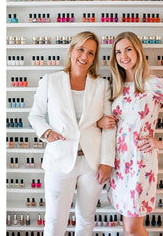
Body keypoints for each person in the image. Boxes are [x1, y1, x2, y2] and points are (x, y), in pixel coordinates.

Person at [97, 31, 163, 236]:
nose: (123, 56)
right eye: (118, 52)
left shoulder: (154, 83)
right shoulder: (115, 87)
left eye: (128, 50)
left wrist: (162, 142)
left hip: (140, 162)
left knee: (133, 229)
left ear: (138, 51)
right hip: (119, 163)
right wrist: (101, 122)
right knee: (127, 226)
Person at [28, 31, 116, 236]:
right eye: (81, 49)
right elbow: (35, 116)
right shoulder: (50, 81)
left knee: (86, 219)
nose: (85, 56)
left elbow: (109, 125)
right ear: (71, 50)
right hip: (59, 160)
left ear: (94, 58)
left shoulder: (102, 85)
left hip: (91, 163)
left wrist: (106, 162)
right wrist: (46, 132)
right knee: (54, 220)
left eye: (91, 53)